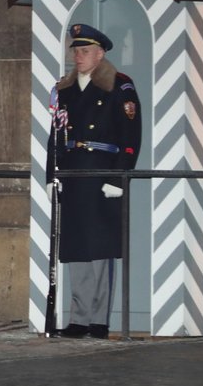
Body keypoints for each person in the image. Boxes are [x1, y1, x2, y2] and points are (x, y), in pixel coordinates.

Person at [46, 23, 142, 339]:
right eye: (76, 50)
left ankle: (99, 321)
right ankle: (79, 318)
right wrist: (52, 175)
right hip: (73, 173)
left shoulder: (119, 86)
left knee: (100, 249)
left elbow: (130, 135)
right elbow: (55, 136)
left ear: (100, 54)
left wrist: (118, 176)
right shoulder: (65, 89)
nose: (78, 56)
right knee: (75, 249)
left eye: (85, 51)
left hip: (102, 173)